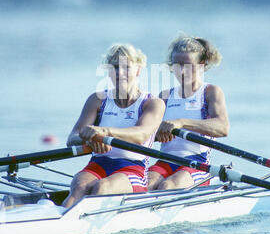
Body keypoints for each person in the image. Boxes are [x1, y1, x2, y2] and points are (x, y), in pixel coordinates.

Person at [63, 43, 165, 208]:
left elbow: (141, 135)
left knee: (102, 187)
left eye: (126, 67)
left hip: (133, 169)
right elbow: (72, 137)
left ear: (138, 70)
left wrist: (104, 132)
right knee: (79, 186)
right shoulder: (97, 100)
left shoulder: (153, 103)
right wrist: (89, 140)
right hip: (98, 164)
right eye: (115, 67)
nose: (120, 72)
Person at [147, 35, 230, 191]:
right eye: (177, 65)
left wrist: (181, 122)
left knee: (167, 186)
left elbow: (223, 127)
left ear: (201, 65)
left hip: (196, 164)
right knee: (145, 185)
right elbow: (149, 133)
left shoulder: (210, 91)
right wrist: (158, 133)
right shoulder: (164, 96)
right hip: (164, 161)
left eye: (188, 65)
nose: (182, 71)